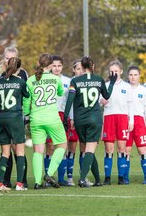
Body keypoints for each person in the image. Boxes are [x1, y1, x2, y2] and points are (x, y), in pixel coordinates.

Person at [63, 56, 117, 187]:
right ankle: (82, 178)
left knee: (87, 149)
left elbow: (69, 100)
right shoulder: (99, 80)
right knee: (90, 149)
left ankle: (98, 180)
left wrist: (65, 118)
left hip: (80, 120)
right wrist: (112, 82)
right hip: (94, 118)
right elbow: (107, 96)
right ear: (92, 66)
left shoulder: (75, 81)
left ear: (82, 66)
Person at [23, 53, 67, 189]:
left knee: (38, 151)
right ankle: (49, 173)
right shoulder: (55, 79)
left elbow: (26, 100)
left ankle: (37, 182)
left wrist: (27, 115)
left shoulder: (30, 80)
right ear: (50, 65)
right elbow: (60, 93)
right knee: (62, 145)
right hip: (52, 118)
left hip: (36, 118)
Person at [0, 57, 29, 191]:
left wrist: (0, 114)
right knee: (20, 151)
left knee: (4, 152)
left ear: (7, 65)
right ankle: (20, 184)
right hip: (15, 117)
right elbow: (27, 95)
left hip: (1, 118)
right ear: (19, 68)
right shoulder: (20, 81)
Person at [100, 60, 134, 185]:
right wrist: (101, 101)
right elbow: (100, 99)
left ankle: (121, 177)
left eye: (116, 71)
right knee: (109, 148)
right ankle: (107, 178)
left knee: (121, 148)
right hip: (109, 117)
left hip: (122, 118)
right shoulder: (105, 84)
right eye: (111, 71)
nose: (114, 73)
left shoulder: (126, 86)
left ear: (121, 72)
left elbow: (131, 105)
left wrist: (131, 121)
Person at [45, 55, 71, 186]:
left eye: (59, 66)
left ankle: (61, 178)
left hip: (62, 116)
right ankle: (48, 177)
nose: (56, 68)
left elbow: (69, 101)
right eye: (54, 66)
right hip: (48, 114)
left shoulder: (68, 81)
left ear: (62, 66)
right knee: (49, 147)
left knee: (62, 147)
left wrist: (70, 117)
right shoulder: (45, 80)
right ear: (50, 66)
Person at [125, 66, 146, 184]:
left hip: (139, 122)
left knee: (142, 150)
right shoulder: (125, 89)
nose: (133, 77)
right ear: (128, 76)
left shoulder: (143, 90)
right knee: (126, 150)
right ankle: (125, 178)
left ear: (139, 76)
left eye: (135, 75)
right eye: (131, 75)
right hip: (126, 122)